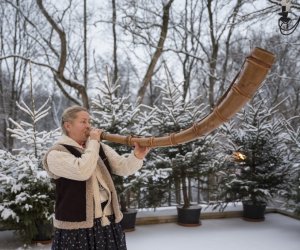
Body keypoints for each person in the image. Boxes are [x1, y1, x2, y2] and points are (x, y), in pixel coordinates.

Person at [43, 106, 150, 250]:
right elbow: (82, 170)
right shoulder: (55, 154)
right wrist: (94, 142)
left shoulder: (98, 147)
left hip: (107, 221)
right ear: (68, 125)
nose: (89, 126)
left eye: (89, 121)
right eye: (83, 122)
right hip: (76, 228)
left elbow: (123, 167)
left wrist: (137, 155)